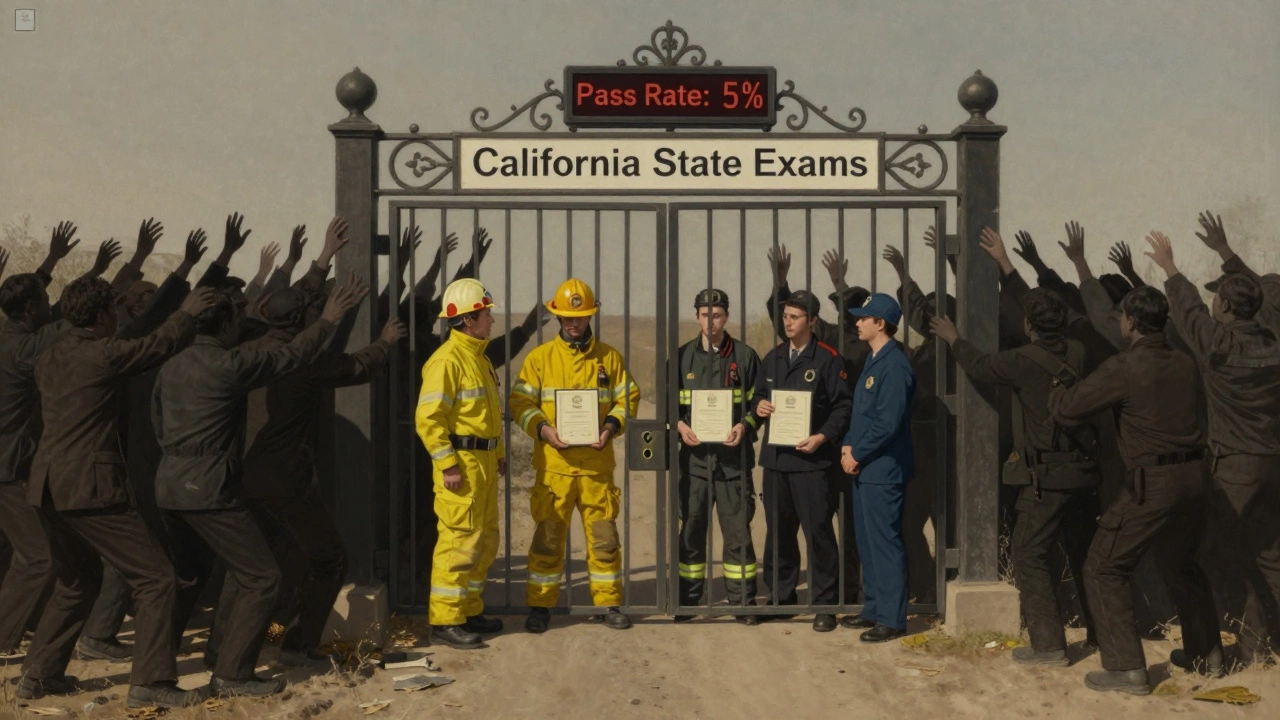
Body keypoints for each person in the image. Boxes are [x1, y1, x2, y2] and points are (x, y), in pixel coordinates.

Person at [152, 275, 365, 698]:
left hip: (171, 484)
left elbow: (157, 422)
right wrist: (329, 321)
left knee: (187, 577)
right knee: (265, 575)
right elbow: (293, 357)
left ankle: (179, 668)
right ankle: (241, 667)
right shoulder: (232, 364)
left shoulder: (172, 364)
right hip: (216, 486)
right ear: (226, 327)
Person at [23, 275, 216, 708]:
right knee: (157, 578)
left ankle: (38, 675)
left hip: (48, 485)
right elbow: (153, 348)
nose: (117, 318)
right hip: (88, 487)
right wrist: (185, 314)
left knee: (77, 580)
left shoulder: (51, 356)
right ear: (101, 316)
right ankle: (151, 683)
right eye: (113, 311)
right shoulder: (101, 355)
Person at [1049, 285, 1221, 695]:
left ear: (1129, 322)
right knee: (1182, 563)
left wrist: (1057, 386)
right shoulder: (1184, 362)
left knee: (1104, 566)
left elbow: (1070, 410)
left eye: (1121, 316)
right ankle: (1206, 655)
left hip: (1153, 483)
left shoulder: (1123, 366)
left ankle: (1126, 669)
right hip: (1196, 478)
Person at [931, 287, 1101, 663]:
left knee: (1028, 553)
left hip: (1048, 475)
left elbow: (981, 367)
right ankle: (1100, 634)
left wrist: (954, 338)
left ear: (1028, 324)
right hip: (1084, 471)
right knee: (1085, 552)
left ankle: (1049, 646)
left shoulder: (1023, 360)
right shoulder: (1078, 352)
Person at [238, 288, 406, 665]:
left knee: (284, 564)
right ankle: (299, 643)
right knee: (330, 561)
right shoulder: (302, 360)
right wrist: (384, 342)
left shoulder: (248, 352)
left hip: (250, 479)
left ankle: (270, 636)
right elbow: (356, 367)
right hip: (287, 482)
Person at [1148, 229, 1280, 667]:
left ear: (1222, 307)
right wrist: (1227, 255)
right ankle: (1260, 648)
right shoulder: (1276, 344)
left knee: (1204, 556)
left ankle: (1209, 653)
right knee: (1269, 556)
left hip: (1236, 467)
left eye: (1217, 300)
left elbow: (1185, 310)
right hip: (1274, 463)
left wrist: (1169, 267)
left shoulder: (1217, 345)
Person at [509, 278, 641, 633]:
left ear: (590, 315)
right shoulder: (539, 360)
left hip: (597, 467)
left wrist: (611, 427)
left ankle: (609, 602)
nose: (573, 323)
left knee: (604, 539)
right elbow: (520, 402)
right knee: (548, 541)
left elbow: (628, 397)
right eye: (567, 316)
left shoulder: (609, 358)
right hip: (555, 467)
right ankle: (540, 606)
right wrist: (543, 430)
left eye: (579, 316)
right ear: (557, 317)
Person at [414, 278, 508, 649]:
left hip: (482, 462)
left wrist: (498, 454)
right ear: (469, 319)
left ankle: (469, 610)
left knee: (483, 540)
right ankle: (445, 619)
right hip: (462, 465)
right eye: (487, 313)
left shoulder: (477, 357)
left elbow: (486, 415)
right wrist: (448, 466)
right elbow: (429, 419)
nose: (492, 319)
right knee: (458, 541)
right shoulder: (447, 361)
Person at [751, 289, 851, 632]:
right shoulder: (774, 357)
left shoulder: (828, 359)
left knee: (819, 533)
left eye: (794, 317)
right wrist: (758, 407)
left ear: (812, 320)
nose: (787, 322)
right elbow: (758, 396)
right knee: (778, 533)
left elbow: (842, 407)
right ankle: (781, 597)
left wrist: (822, 436)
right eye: (785, 316)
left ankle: (826, 604)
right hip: (777, 461)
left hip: (812, 463)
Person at [673, 289, 762, 624]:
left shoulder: (745, 356)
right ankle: (689, 601)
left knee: (738, 532)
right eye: (705, 315)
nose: (711, 321)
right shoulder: (682, 358)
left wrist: (745, 426)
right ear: (696, 317)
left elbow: (759, 402)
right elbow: (671, 408)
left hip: (732, 463)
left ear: (727, 317)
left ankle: (742, 602)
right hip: (695, 463)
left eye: (718, 315)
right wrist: (680, 426)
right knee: (691, 532)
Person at [839, 293, 916, 643]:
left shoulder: (896, 366)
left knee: (885, 543)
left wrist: (857, 453)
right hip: (865, 466)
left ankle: (892, 618)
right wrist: (847, 445)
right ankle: (874, 609)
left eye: (863, 318)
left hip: (883, 469)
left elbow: (888, 422)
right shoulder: (875, 360)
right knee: (868, 543)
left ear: (880, 324)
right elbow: (862, 414)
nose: (857, 323)